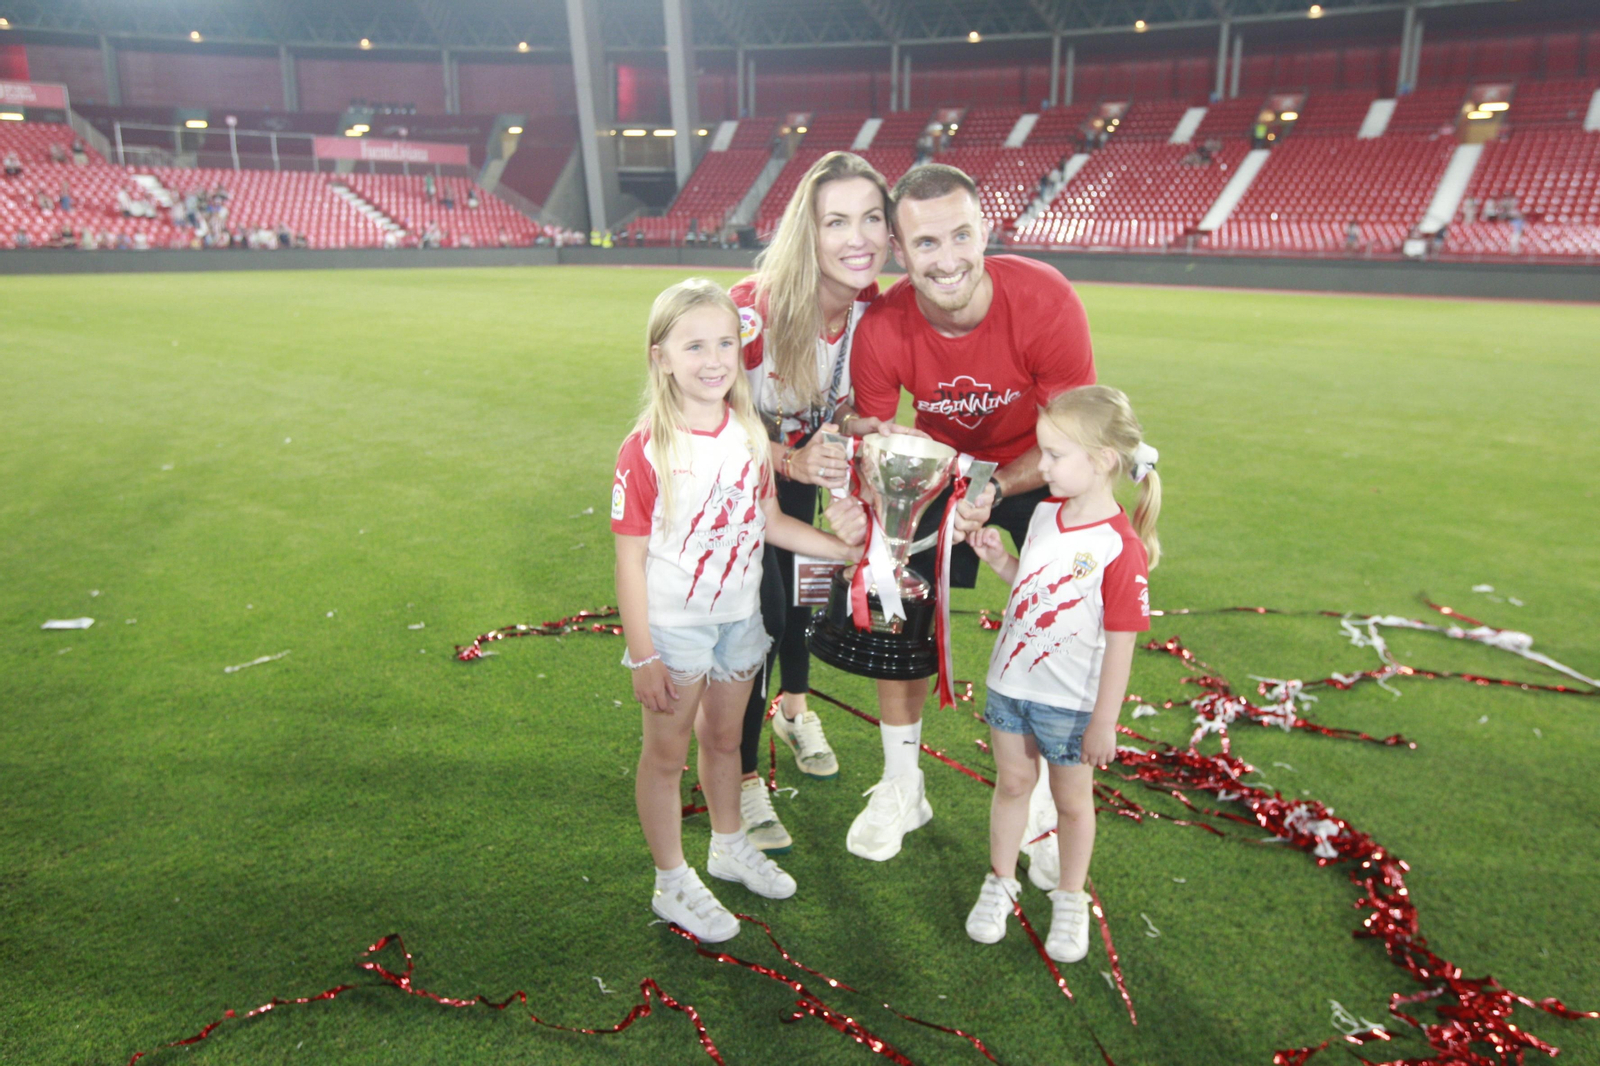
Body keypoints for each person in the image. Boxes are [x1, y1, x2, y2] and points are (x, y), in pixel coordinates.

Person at [842, 162, 1096, 862]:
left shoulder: (1045, 299)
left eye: (962, 235)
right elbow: (873, 435)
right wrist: (874, 485)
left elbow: (1074, 435)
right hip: (935, 472)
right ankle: (902, 786)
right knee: (896, 614)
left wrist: (994, 489)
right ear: (900, 249)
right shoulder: (884, 325)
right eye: (926, 244)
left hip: (1038, 467)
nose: (948, 259)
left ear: (986, 228)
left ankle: (1045, 805)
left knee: (1057, 628)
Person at [612, 278, 866, 943]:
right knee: (664, 759)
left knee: (727, 740)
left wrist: (843, 553)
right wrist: (643, 653)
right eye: (694, 345)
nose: (714, 358)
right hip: (676, 631)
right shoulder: (646, 447)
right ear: (660, 356)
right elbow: (629, 560)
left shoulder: (748, 430)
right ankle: (672, 880)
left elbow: (769, 519)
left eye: (726, 342)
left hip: (739, 622)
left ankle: (728, 846)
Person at [728, 151, 897, 853]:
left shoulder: (876, 308)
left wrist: (860, 428)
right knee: (757, 620)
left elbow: (857, 405)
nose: (857, 237)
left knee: (807, 598)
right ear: (809, 229)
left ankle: (793, 711)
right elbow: (701, 429)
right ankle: (738, 777)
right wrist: (787, 456)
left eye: (870, 218)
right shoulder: (752, 307)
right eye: (836, 221)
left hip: (805, 471)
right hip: (736, 486)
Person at [963, 385, 1158, 963]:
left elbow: (1120, 645)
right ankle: (1000, 880)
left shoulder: (1120, 547)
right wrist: (1002, 561)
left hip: (1070, 705)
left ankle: (1070, 897)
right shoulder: (1047, 513)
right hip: (1010, 686)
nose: (1040, 466)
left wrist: (1105, 722)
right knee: (1013, 786)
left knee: (1073, 803)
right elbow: (1037, 587)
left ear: (1101, 462)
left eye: (1053, 455)